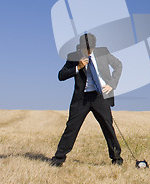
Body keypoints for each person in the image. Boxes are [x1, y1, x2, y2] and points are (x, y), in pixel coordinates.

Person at [50, 33, 123, 167]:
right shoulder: (73, 56)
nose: (88, 52)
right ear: (81, 47)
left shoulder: (103, 52)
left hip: (99, 96)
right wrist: (77, 67)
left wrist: (111, 84)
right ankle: (58, 158)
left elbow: (118, 65)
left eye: (90, 50)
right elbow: (61, 75)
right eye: (85, 50)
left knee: (108, 127)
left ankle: (117, 159)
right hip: (81, 99)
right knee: (71, 127)